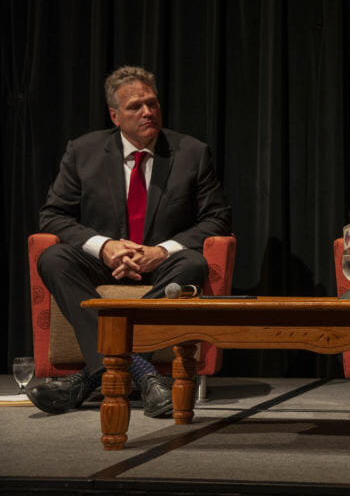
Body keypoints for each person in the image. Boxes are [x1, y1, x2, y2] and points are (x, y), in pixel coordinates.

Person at [27, 66, 232, 417]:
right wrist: (103, 247)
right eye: (136, 106)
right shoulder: (83, 151)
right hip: (103, 263)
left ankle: (88, 380)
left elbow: (217, 219)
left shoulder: (191, 153)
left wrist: (160, 251)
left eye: (152, 103)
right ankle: (143, 374)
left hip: (160, 265)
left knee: (193, 263)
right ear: (115, 116)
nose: (148, 112)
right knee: (53, 258)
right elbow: (54, 215)